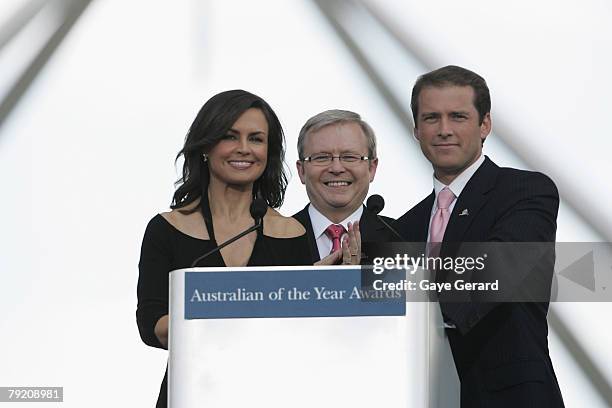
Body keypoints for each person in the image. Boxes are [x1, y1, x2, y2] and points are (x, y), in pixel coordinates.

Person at [136, 90, 360, 408]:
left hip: (270, 393)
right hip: (193, 392)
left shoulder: (291, 234)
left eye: (256, 139)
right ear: (206, 146)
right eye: (230, 136)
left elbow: (302, 337)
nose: (244, 149)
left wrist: (324, 290)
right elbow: (152, 325)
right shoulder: (167, 229)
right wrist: (267, 304)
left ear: (268, 153)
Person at [395, 66, 564, 407]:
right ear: (416, 130)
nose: (444, 130)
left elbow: (493, 271)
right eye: (431, 118)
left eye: (457, 116)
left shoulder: (525, 191)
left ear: (485, 124)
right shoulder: (404, 227)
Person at [293, 110, 396, 263]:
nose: (336, 168)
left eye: (349, 157)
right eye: (322, 157)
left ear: (371, 168)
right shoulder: (270, 239)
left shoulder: (402, 238)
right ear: (301, 171)